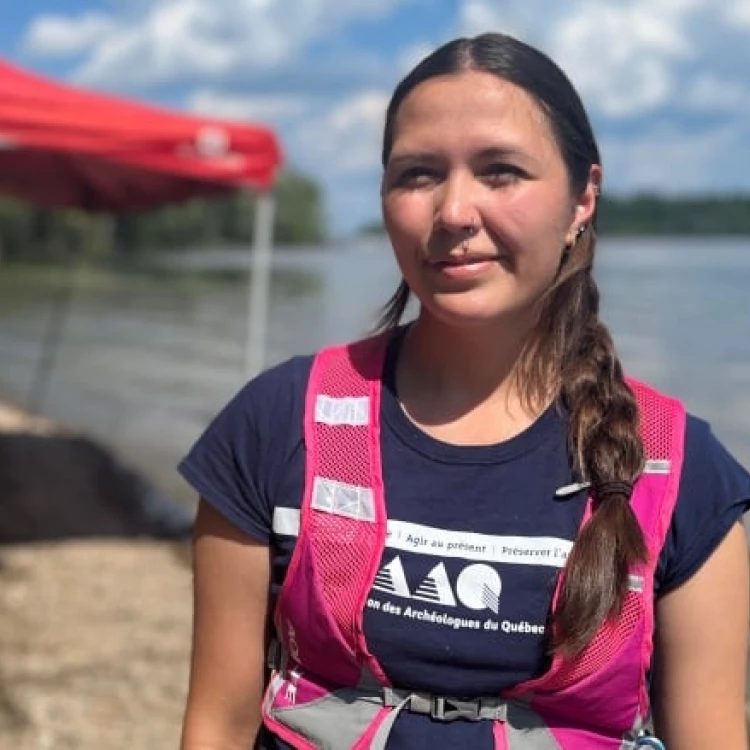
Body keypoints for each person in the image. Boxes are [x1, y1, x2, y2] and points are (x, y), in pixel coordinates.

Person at [178, 32, 750, 750]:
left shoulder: (678, 470)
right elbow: (217, 723)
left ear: (583, 198)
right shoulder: (276, 423)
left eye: (501, 171)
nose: (453, 212)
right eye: (417, 174)